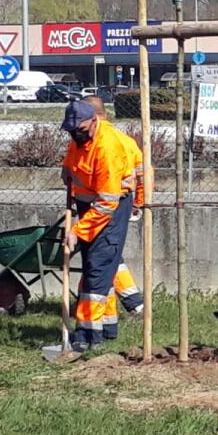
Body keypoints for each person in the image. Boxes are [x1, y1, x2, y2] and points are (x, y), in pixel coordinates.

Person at [60, 100, 136, 352]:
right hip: (87, 206)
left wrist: (78, 231)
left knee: (97, 269)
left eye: (79, 130)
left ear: (94, 121)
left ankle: (87, 334)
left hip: (109, 210)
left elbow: (106, 203)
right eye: (71, 132)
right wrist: (67, 172)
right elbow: (74, 162)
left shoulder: (108, 148)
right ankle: (108, 326)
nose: (75, 135)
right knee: (100, 265)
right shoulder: (79, 140)